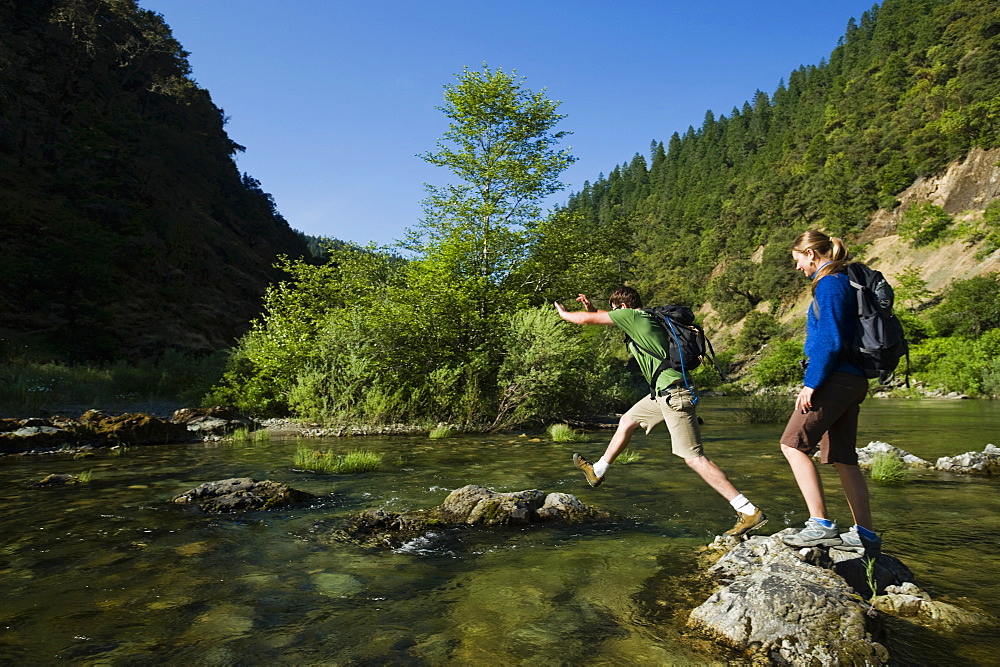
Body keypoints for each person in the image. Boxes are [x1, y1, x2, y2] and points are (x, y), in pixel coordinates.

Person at [553, 286, 767, 537]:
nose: (611, 316)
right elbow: (598, 317)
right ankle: (598, 471)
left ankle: (748, 510)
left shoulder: (632, 317)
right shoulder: (644, 317)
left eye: (613, 311)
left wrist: (566, 314)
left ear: (622, 308)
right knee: (627, 420)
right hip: (661, 394)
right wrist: (591, 308)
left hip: (675, 395)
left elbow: (587, 320)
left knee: (694, 458)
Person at [779, 230, 881, 555]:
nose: (797, 268)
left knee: (792, 444)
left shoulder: (830, 283)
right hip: (852, 380)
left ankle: (820, 524)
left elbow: (830, 339)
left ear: (811, 254)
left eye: (798, 260)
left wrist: (811, 383)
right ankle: (866, 535)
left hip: (835, 379)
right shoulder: (842, 282)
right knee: (843, 458)